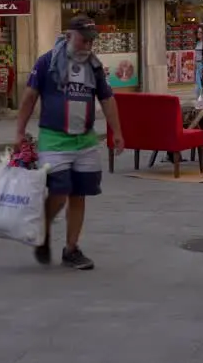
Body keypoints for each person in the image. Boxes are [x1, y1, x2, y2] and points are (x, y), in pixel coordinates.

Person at [16, 15, 123, 270]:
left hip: (84, 139)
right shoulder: (46, 62)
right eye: (82, 39)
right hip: (54, 138)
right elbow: (30, 96)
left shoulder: (94, 67)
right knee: (60, 191)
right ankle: (43, 229)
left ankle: (71, 249)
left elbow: (107, 99)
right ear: (68, 37)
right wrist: (19, 131)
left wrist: (116, 131)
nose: (87, 44)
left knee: (79, 194)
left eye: (91, 41)